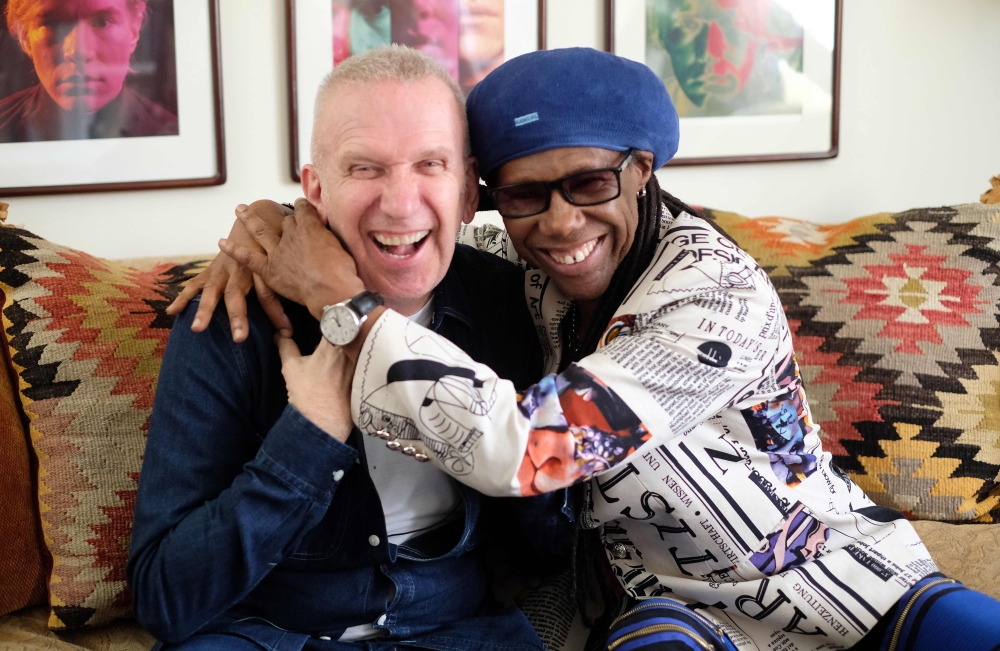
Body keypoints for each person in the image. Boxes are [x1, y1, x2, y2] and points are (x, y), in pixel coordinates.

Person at [185, 47, 1000, 651]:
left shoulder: (715, 298)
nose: (561, 225)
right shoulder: (522, 269)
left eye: (589, 184)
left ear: (640, 171)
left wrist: (340, 304)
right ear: (488, 196)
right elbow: (402, 231)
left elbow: (532, 450)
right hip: (666, 611)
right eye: (526, 195)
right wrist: (273, 230)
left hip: (837, 583)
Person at [127, 45, 569, 650]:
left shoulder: (518, 303)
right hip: (264, 633)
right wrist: (310, 433)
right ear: (315, 191)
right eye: (365, 168)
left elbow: (551, 546)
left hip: (457, 629)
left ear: (469, 191)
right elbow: (164, 597)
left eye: (430, 165)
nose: (400, 201)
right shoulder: (231, 317)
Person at [0, 0, 178, 143]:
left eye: (101, 22)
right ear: (24, 36)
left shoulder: (175, 139)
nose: (78, 51)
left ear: (134, 30)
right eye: (53, 23)